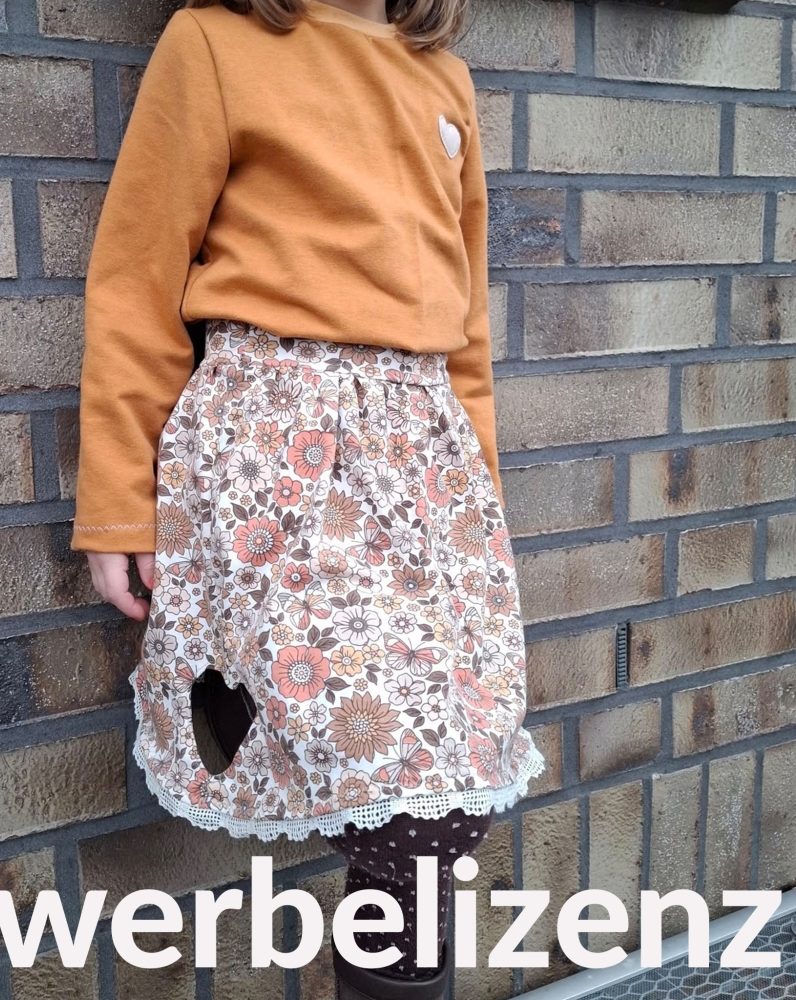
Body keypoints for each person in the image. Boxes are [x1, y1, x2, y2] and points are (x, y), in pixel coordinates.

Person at [71, 1, 546, 995]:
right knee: (402, 800)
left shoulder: (441, 77)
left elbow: (466, 333)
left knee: (456, 779)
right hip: (277, 460)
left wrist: (478, 512)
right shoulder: (215, 42)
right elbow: (136, 281)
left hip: (423, 469)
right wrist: (119, 499)